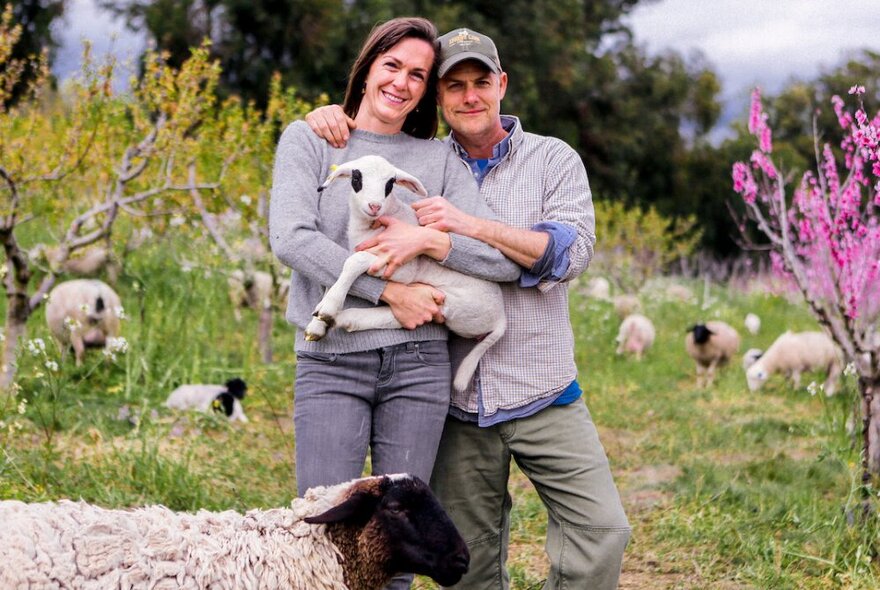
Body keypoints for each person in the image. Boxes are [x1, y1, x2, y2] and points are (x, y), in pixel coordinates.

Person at [305, 27, 631, 589]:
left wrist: (457, 229)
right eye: (454, 86)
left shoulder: (553, 160)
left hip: (543, 387)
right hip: (453, 401)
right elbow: (358, 153)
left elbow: (564, 255)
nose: (470, 96)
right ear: (438, 98)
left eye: (482, 81)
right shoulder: (420, 163)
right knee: (470, 564)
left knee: (603, 532)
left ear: (501, 84)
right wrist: (327, 118)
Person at [268, 18, 520, 590]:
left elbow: (499, 259)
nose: (402, 83)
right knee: (318, 537)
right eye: (392, 66)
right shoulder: (311, 139)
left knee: (399, 549)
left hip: (419, 369)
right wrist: (390, 292)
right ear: (367, 66)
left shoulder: (436, 163)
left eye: (418, 75)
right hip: (332, 361)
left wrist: (433, 240)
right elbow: (290, 238)